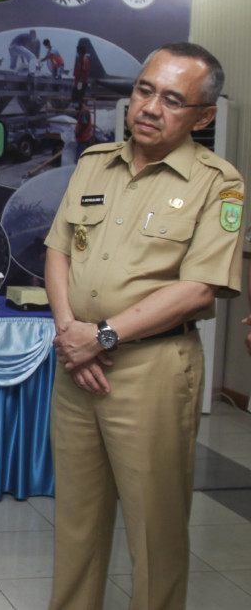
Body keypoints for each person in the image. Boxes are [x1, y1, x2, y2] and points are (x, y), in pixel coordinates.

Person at [44, 42, 243, 610]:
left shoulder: (217, 182)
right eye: (145, 90)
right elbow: (59, 250)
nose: (151, 107)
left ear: (203, 117)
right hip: (76, 365)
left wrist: (100, 335)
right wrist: (70, 334)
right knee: (77, 522)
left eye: (173, 100)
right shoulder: (93, 162)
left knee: (154, 528)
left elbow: (200, 287)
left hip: (152, 370)